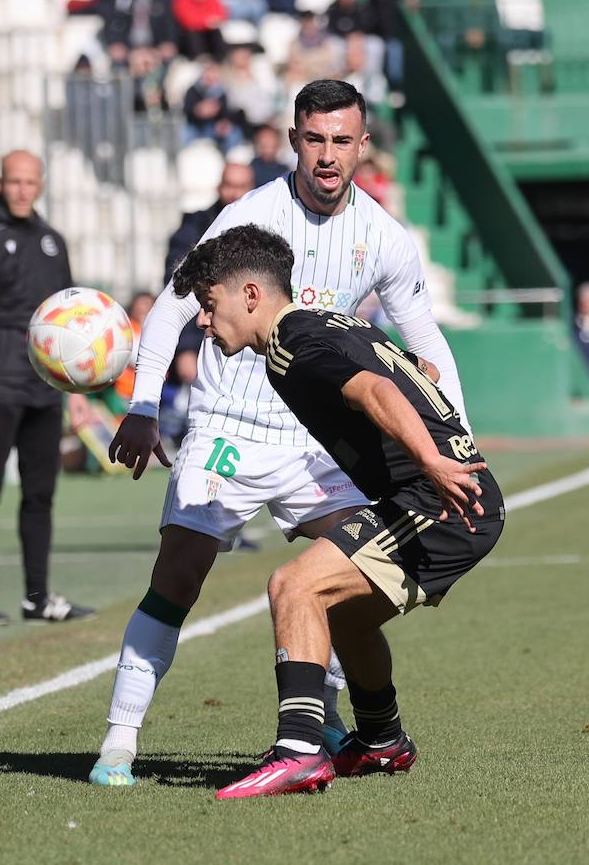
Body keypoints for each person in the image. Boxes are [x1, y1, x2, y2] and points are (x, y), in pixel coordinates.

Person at [88, 80, 471, 787]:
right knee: (177, 577)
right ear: (295, 140)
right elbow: (175, 309)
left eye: (342, 141)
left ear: (363, 146)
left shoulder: (384, 236)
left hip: (320, 443)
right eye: (315, 139)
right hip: (229, 426)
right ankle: (119, 740)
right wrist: (142, 406)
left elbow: (429, 345)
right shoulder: (248, 218)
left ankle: (334, 721)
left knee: (343, 579)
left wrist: (459, 446)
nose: (328, 156)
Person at [171, 222, 503, 798]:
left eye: (208, 303)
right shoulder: (328, 320)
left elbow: (377, 391)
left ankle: (298, 750)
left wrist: (431, 459)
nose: (202, 321)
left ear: (250, 295)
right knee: (343, 614)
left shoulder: (291, 346)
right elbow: (409, 371)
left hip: (442, 499)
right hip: (446, 494)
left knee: (294, 588)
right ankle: (381, 740)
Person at [0, 150, 95, 626]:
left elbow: (71, 322)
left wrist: (73, 393)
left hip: (43, 389)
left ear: (42, 185)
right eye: (14, 181)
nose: (23, 190)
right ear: (1, 183)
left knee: (40, 495)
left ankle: (37, 597)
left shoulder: (53, 241)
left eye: (31, 181)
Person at [165, 161, 255, 282]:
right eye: (229, 185)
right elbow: (174, 274)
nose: (235, 193)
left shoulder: (264, 223)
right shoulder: (195, 226)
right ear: (219, 187)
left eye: (241, 187)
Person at [182, 61, 244, 153]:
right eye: (208, 73)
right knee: (183, 134)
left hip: (214, 126)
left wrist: (223, 123)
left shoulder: (223, 92)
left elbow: (228, 113)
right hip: (195, 126)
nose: (211, 76)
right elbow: (187, 110)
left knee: (234, 133)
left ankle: (228, 157)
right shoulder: (193, 90)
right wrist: (198, 111)